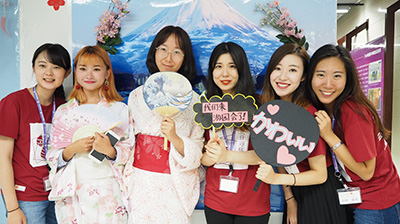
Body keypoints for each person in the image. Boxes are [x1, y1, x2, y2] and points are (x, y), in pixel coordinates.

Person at [255, 43, 348, 224]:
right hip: (296, 191)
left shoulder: (307, 114)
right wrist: (290, 199)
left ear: (304, 76)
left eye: (292, 70)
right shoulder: (272, 111)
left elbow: (320, 174)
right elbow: (277, 156)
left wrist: (276, 178)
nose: (282, 76)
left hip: (319, 195)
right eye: (277, 68)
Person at [308, 44, 400, 224]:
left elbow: (367, 172)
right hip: (358, 198)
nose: (328, 84)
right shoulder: (330, 108)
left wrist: (329, 135)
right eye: (320, 75)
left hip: (377, 203)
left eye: (337, 76)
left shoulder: (353, 112)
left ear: (347, 78)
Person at [123, 25, 204, 223]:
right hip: (141, 182)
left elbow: (197, 152)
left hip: (175, 184)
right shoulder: (136, 96)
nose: (169, 57)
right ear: (154, 52)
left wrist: (175, 138)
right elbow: (127, 142)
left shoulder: (194, 101)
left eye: (177, 51)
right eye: (163, 49)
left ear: (185, 58)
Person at [46, 45, 132, 223]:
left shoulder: (120, 110)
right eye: (83, 69)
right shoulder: (64, 111)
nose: (89, 75)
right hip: (72, 192)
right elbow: (51, 155)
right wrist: (70, 150)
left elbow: (131, 151)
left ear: (107, 73)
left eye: (97, 69)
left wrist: (111, 151)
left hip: (108, 191)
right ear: (75, 72)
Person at [201, 42, 271, 224]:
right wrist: (212, 155)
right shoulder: (207, 107)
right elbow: (203, 159)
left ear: (241, 69)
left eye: (232, 66)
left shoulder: (259, 105)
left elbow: (266, 154)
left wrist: (227, 155)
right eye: (218, 66)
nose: (225, 73)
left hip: (253, 203)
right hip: (216, 200)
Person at [0, 43, 71, 224]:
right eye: (42, 66)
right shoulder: (13, 103)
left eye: (56, 67)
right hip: (26, 198)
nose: (48, 72)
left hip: (59, 195)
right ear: (33, 68)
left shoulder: (65, 107)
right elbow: (3, 158)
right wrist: (13, 208)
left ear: (67, 73)